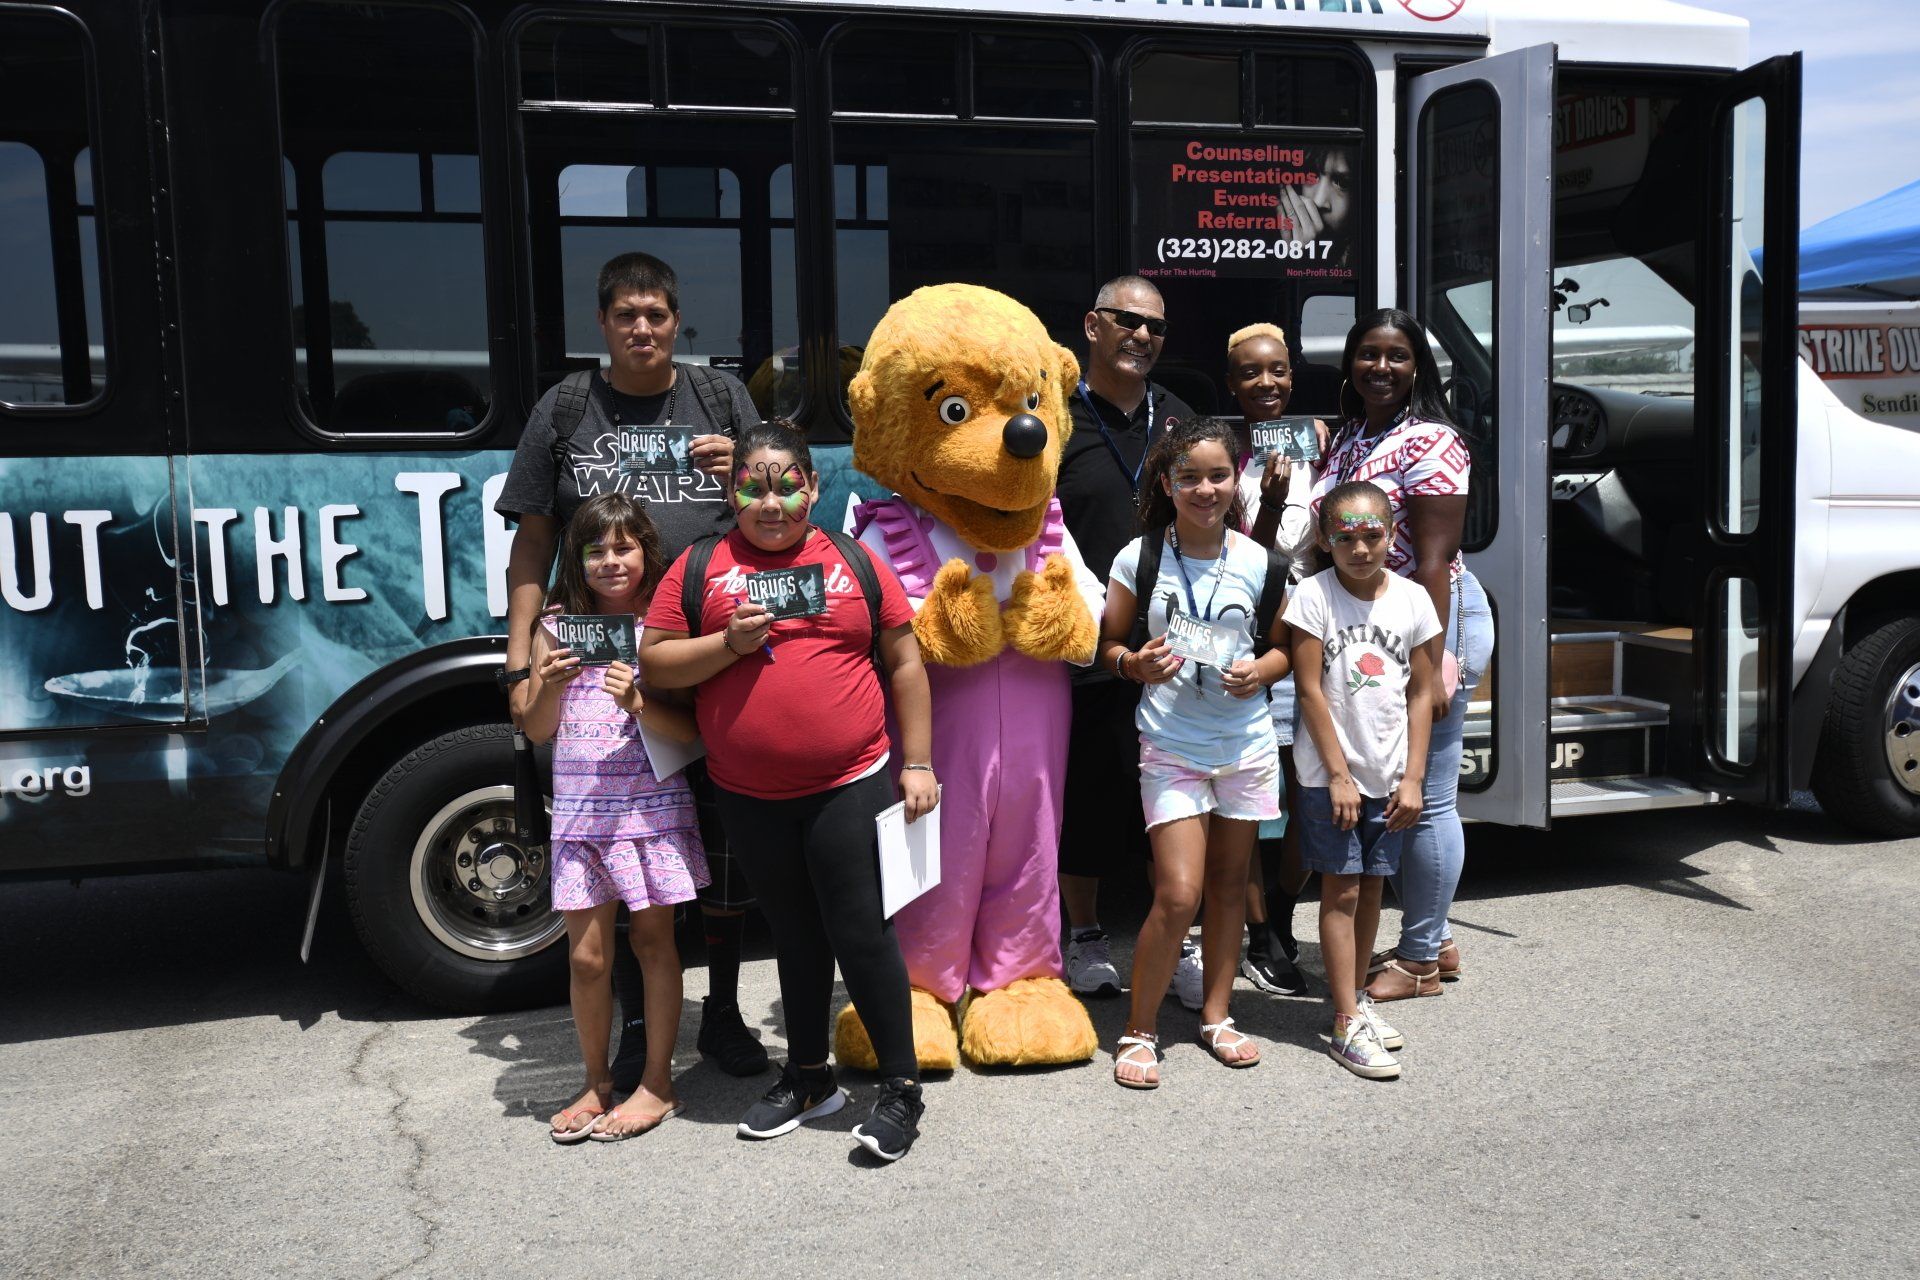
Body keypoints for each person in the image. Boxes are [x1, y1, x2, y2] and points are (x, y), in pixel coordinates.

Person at [494, 251, 769, 1085]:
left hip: (710, 653)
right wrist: (519, 658)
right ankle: (639, 1029)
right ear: (603, 324)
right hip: (610, 660)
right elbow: (535, 538)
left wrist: (744, 472)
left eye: (656, 314)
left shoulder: (721, 398)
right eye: (626, 315)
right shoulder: (567, 408)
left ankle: (719, 1016)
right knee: (623, 847)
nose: (642, 328)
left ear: (676, 320)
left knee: (718, 853)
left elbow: (778, 508)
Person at [640, 421, 936, 1162]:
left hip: (849, 783)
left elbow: (904, 663)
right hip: (748, 793)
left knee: (859, 931)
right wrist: (727, 645)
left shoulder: (853, 560)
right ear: (730, 488)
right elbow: (657, 664)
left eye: (785, 485)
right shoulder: (699, 566)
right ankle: (808, 1078)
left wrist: (920, 762)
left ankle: (900, 1089)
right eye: (752, 485)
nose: (769, 502)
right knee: (794, 936)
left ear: (811, 486)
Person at [1097, 417, 1292, 1089]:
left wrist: (1263, 671)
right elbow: (1107, 646)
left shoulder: (1264, 562)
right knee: (1178, 893)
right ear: (1166, 484)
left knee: (1231, 887)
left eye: (1217, 475)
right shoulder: (1139, 557)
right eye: (1189, 477)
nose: (1205, 489)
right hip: (1172, 744)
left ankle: (1215, 1015)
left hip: (1246, 745)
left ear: (1236, 479)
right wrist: (1133, 664)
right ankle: (1139, 1029)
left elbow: (1286, 648)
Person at [1306, 309, 1492, 1002]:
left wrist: (1435, 661)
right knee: (1395, 785)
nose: (1380, 368)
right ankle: (1436, 936)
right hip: (1376, 628)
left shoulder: (1434, 441)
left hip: (1431, 622)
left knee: (1430, 799)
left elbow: (1437, 560)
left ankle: (1416, 963)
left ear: (1419, 367)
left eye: (1396, 356)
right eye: (1367, 355)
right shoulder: (1353, 435)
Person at [521, 494, 707, 1142]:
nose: (609, 561)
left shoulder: (661, 626)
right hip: (578, 815)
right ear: (577, 558)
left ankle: (658, 1081)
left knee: (654, 943)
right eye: (595, 549)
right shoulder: (556, 623)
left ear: (646, 553)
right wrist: (545, 682)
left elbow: (690, 727)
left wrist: (638, 702)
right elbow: (539, 727)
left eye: (623, 547)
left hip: (648, 808)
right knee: (587, 960)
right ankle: (596, 1082)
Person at [1055, 275, 1197, 1001]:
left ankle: (1176, 943)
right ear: (1092, 324)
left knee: (1167, 804)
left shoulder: (1178, 418)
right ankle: (1082, 936)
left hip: (1173, 650)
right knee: (1086, 801)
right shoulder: (1051, 418)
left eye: (1156, 328)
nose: (1142, 336)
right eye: (1127, 321)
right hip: (1083, 650)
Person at [1287, 480, 1440, 1080]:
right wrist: (1338, 774)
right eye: (1345, 537)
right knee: (1341, 891)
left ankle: (1353, 1001)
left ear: (1392, 534)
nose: (1360, 548)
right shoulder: (1312, 597)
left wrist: (1414, 779)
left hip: (1392, 773)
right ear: (1326, 540)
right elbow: (1308, 690)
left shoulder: (1412, 601)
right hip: (1333, 778)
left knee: (1374, 887)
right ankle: (1346, 1022)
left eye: (1372, 535)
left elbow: (1423, 693)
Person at [1223, 323, 1323, 998]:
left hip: (1310, 643)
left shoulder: (1320, 444)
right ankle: (1259, 938)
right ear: (1233, 384)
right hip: (1246, 646)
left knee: (1306, 795)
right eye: (1253, 373)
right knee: (1250, 799)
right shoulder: (1221, 455)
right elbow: (1243, 565)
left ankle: (1284, 920)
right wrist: (1273, 507)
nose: (1268, 384)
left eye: (1279, 371)